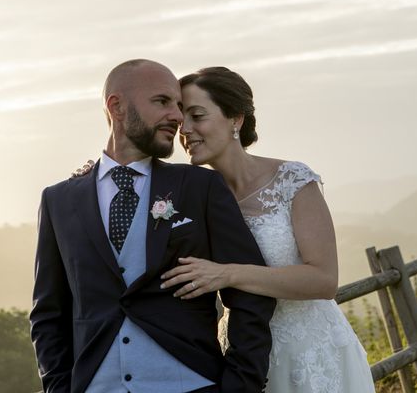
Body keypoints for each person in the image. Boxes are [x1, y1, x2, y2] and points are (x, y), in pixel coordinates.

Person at [30, 59, 276, 393]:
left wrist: (240, 386)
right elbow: (48, 315)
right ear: (116, 106)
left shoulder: (199, 187)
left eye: (178, 105)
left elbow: (250, 293)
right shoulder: (59, 200)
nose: (177, 116)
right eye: (162, 102)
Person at [159, 67, 376, 393]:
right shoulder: (191, 197)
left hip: (313, 355)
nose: (185, 130)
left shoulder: (292, 180)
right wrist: (92, 178)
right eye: (181, 119)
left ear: (235, 119)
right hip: (241, 363)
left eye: (197, 115)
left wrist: (229, 274)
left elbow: (324, 280)